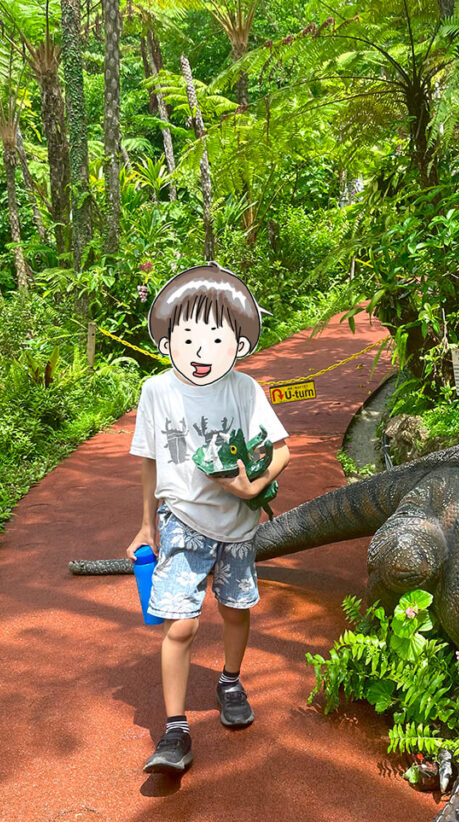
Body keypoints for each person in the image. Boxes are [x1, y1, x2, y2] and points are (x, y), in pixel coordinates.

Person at [127, 263, 290, 774]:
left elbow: (281, 448)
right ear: (168, 338)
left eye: (215, 338)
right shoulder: (156, 391)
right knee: (181, 624)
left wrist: (254, 485)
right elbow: (150, 461)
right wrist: (146, 525)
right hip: (180, 518)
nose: (200, 351)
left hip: (238, 523)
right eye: (189, 335)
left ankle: (230, 680)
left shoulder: (245, 390)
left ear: (237, 344)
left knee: (236, 609)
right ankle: (175, 731)